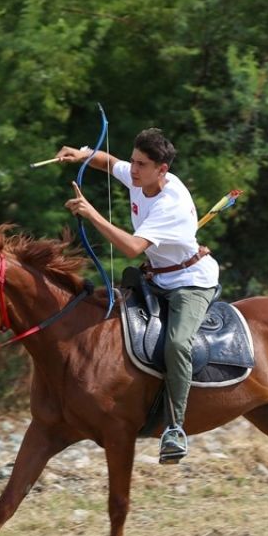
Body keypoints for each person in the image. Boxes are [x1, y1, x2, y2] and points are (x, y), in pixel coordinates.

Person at [56, 128, 219, 464]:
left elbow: (131, 248)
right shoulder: (139, 177)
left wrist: (91, 213)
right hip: (156, 278)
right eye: (133, 160)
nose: (132, 169)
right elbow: (110, 162)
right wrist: (82, 153)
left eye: (141, 164)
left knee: (177, 344)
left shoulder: (170, 203)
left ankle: (175, 428)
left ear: (162, 169)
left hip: (190, 283)